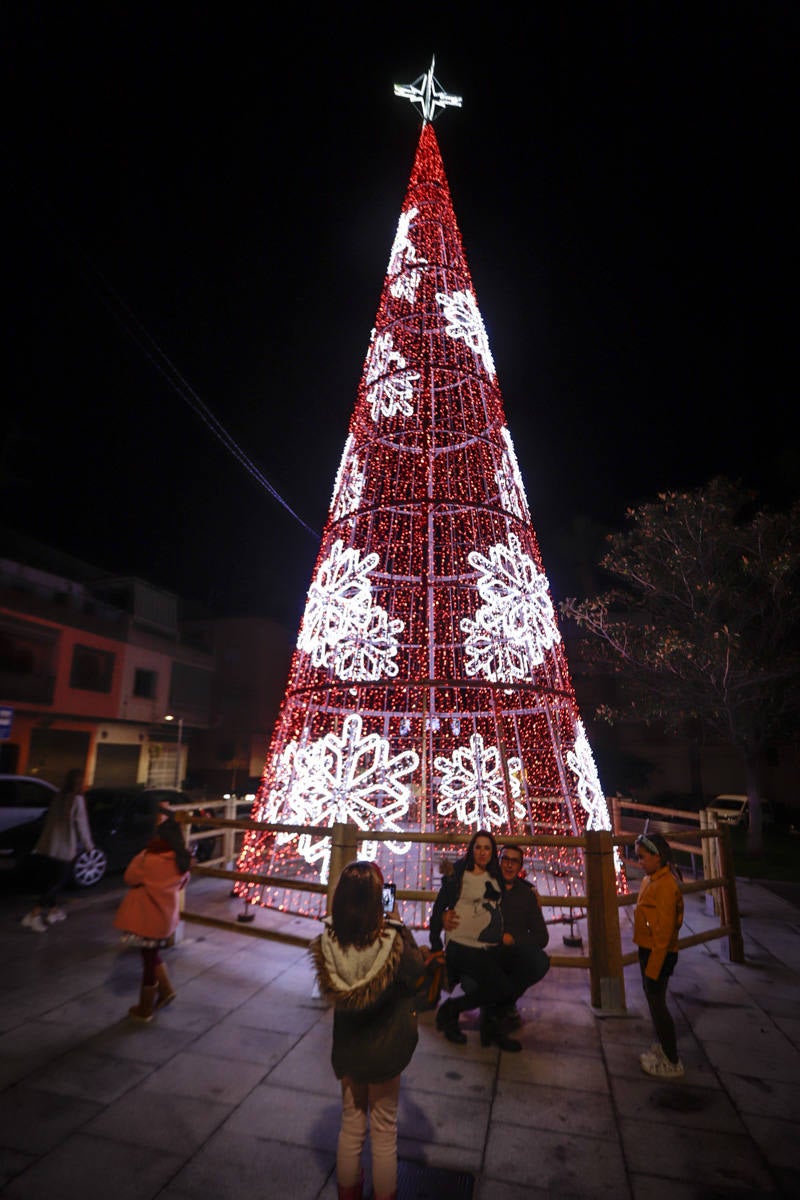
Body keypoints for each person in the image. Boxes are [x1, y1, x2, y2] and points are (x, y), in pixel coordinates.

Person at [310, 861, 426, 1200]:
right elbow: (417, 968)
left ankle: (348, 1192)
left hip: (349, 1049)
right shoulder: (392, 939)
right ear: (379, 899)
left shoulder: (330, 939)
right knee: (384, 1130)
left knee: (351, 1124)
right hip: (386, 1049)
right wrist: (399, 924)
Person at [429, 829, 522, 1052]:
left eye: (487, 848)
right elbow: (439, 907)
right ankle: (455, 1011)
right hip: (461, 944)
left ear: (493, 852)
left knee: (510, 976)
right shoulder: (460, 873)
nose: (482, 852)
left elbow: (512, 884)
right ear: (471, 850)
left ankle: (469, 1017)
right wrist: (435, 944)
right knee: (501, 986)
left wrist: (531, 890)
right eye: (478, 847)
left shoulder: (495, 874)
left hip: (487, 945)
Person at [113, 799, 191, 1022]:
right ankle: (166, 991)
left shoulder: (147, 858)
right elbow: (182, 883)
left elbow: (130, 878)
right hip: (165, 918)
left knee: (148, 960)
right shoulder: (182, 861)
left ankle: (145, 1009)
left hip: (145, 917)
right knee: (152, 955)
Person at [633, 832, 685, 1078]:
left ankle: (672, 1059)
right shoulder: (651, 879)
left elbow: (664, 933)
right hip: (648, 949)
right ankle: (664, 1048)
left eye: (642, 857)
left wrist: (654, 967)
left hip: (659, 953)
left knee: (658, 1004)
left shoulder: (666, 886)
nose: (639, 862)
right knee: (653, 1001)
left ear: (657, 856)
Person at [21, 767, 94, 932]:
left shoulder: (59, 796)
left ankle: (53, 911)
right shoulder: (77, 800)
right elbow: (81, 825)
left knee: (51, 879)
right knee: (57, 882)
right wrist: (89, 846)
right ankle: (33, 915)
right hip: (64, 847)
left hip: (48, 845)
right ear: (80, 782)